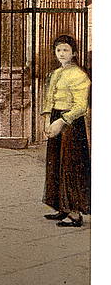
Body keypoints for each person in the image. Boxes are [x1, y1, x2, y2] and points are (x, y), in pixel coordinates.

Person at [42, 34, 91, 228]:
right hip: (56, 118)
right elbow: (49, 100)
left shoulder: (79, 75)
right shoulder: (55, 73)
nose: (62, 54)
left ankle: (75, 213)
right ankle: (62, 206)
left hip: (71, 124)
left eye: (66, 50)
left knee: (71, 165)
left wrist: (61, 122)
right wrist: (48, 120)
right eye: (59, 50)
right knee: (56, 163)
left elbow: (81, 107)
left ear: (74, 53)